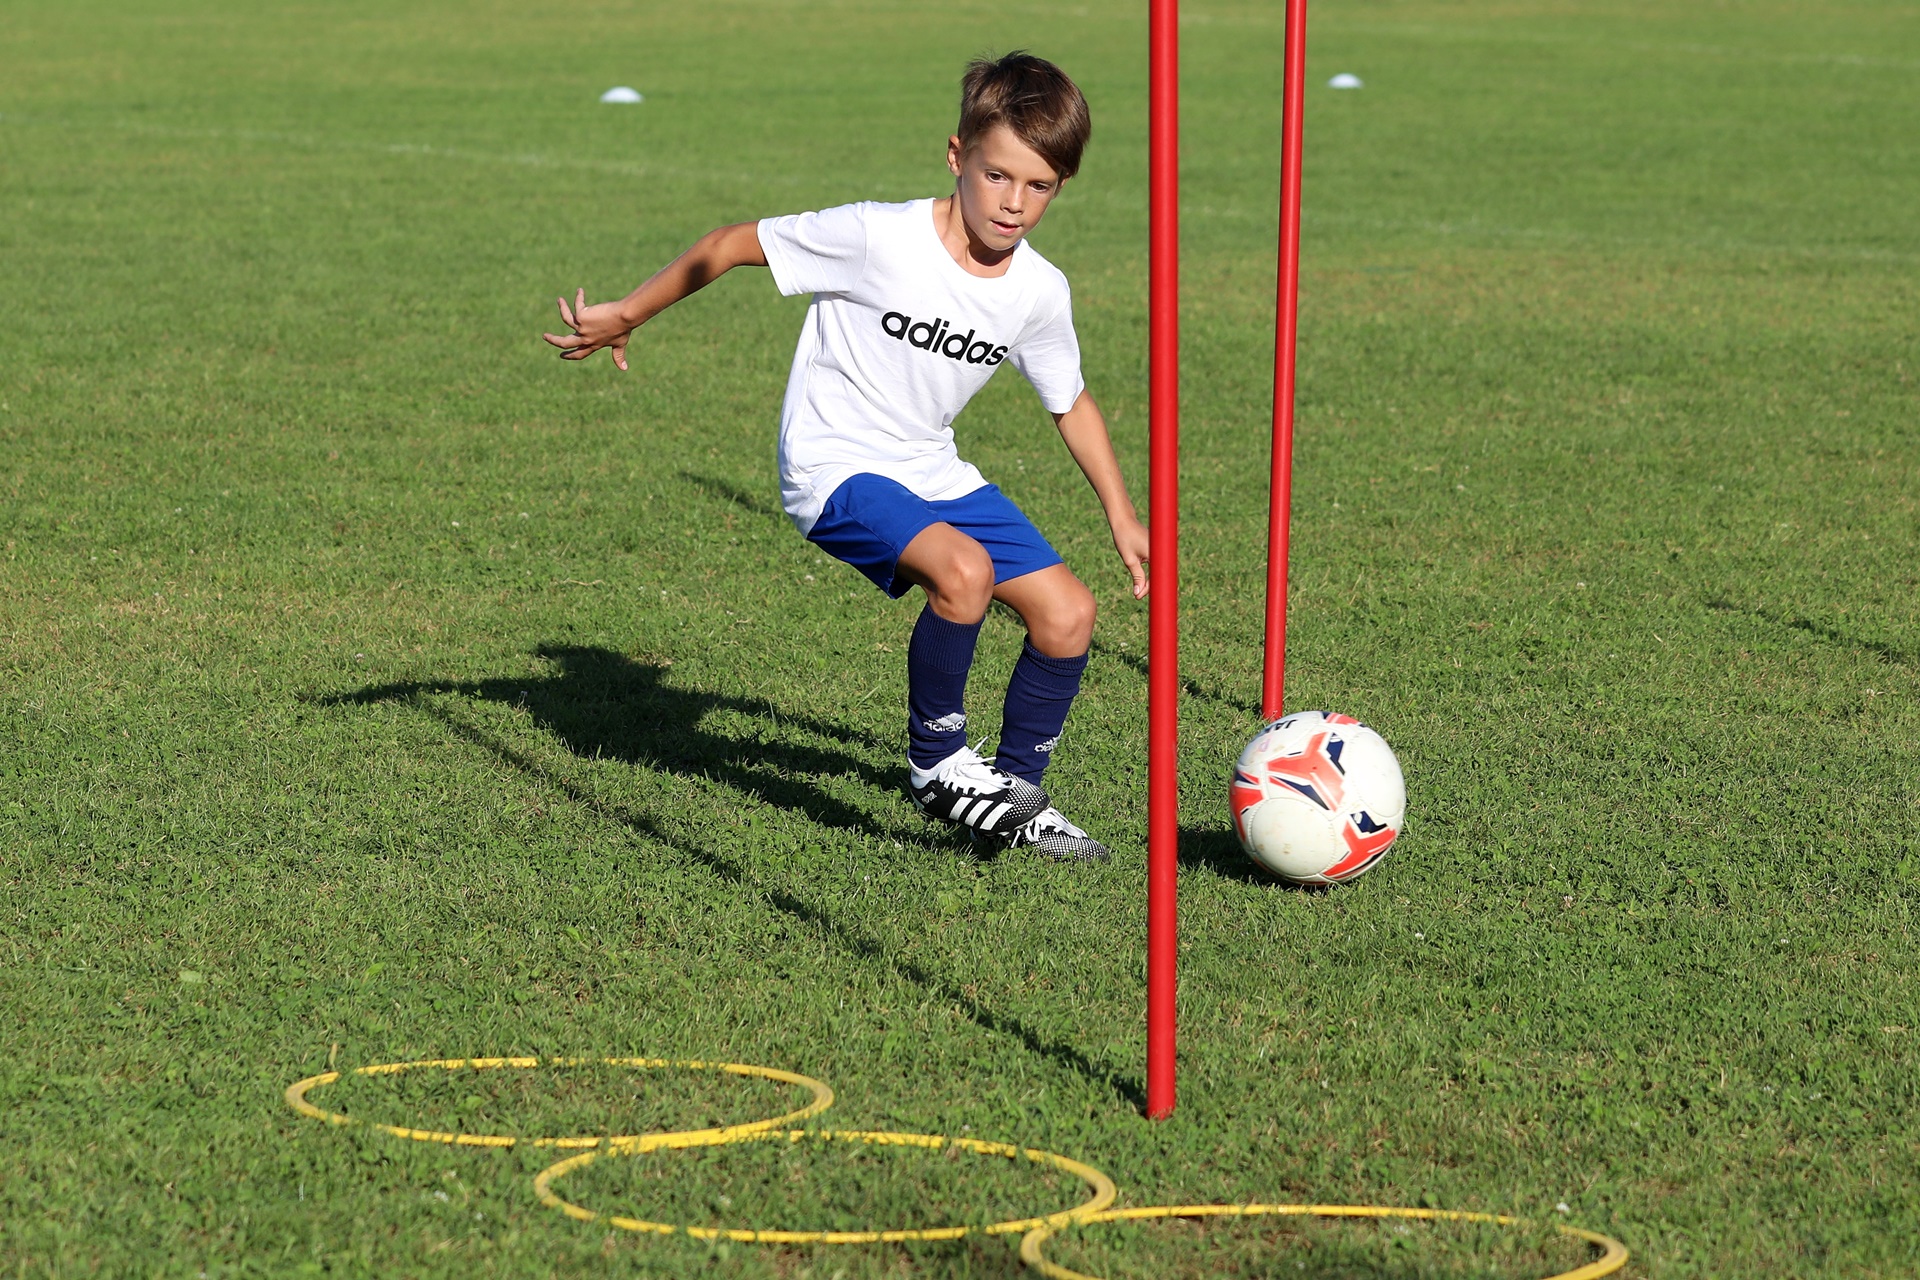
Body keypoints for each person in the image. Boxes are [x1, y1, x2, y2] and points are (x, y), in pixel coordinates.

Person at [543, 52, 1148, 861]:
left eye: (1038, 186)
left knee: (1069, 614)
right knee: (962, 573)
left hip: (931, 469)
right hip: (834, 466)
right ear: (957, 155)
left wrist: (1121, 512)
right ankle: (938, 765)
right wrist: (630, 314)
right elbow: (730, 244)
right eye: (998, 175)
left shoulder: (1038, 291)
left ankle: (1013, 800)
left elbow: (1069, 400)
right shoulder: (877, 237)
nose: (1014, 203)